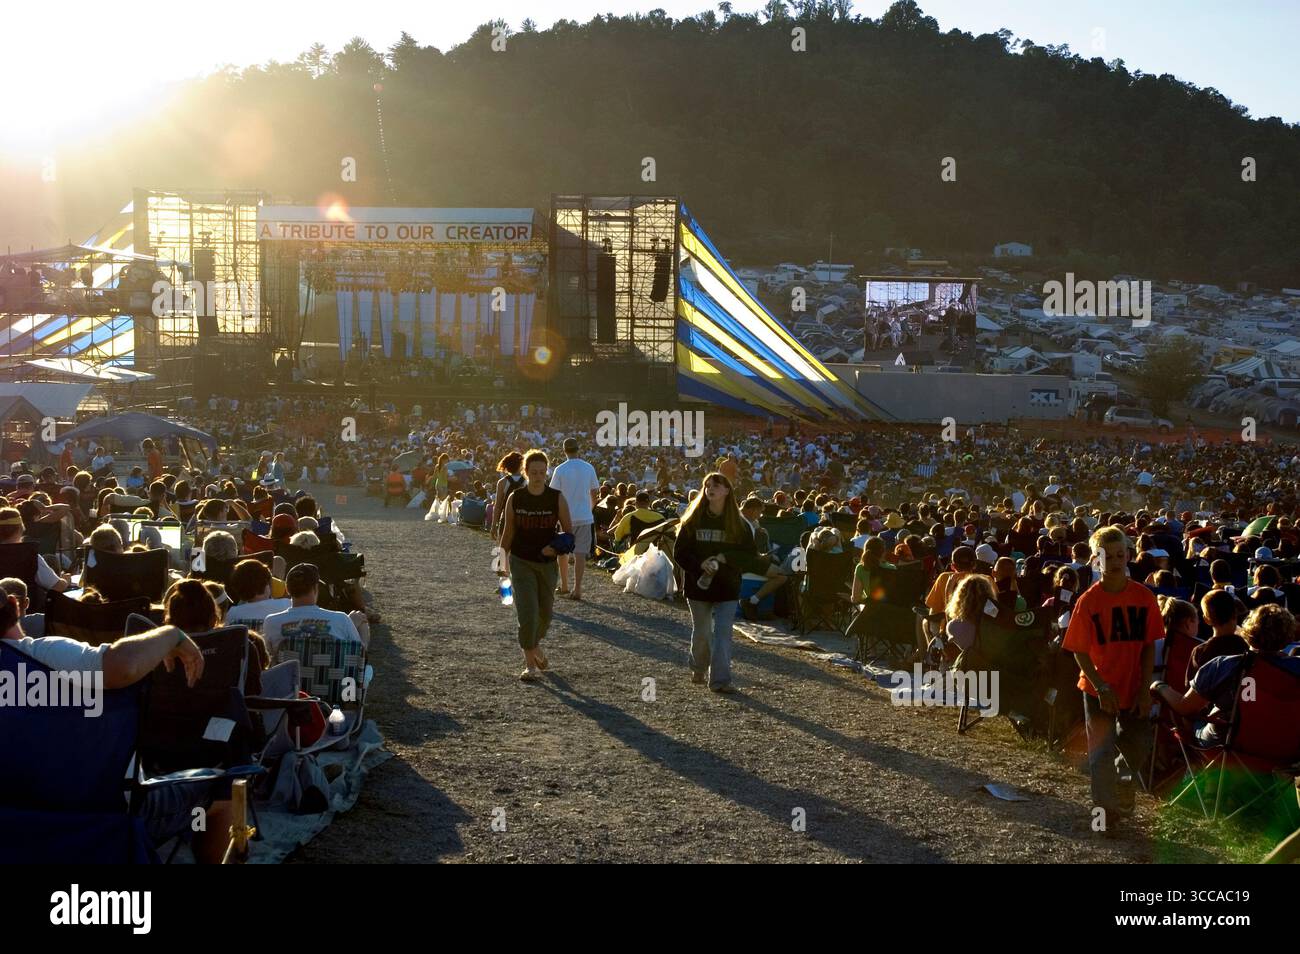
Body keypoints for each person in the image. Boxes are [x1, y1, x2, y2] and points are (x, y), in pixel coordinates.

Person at [1062, 525, 1162, 826]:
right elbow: (1078, 650)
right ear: (1097, 560)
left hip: (1134, 686)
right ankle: (1105, 815)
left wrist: (1145, 689)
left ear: (1129, 556)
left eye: (1121, 554)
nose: (1116, 560)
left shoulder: (1144, 597)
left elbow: (1148, 647)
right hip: (1097, 689)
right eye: (1109, 556)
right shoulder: (1089, 601)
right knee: (1100, 752)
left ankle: (1123, 781)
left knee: (1138, 744)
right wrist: (1100, 685)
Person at [1153, 603, 1300, 746]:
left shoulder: (1223, 666)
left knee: (1196, 722)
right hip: (1288, 744)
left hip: (1234, 743)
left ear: (1249, 630)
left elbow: (1186, 707)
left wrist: (1159, 687)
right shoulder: (1296, 667)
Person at [672, 472, 754, 694]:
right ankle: (698, 667)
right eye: (707, 485)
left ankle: (720, 680)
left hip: (727, 586)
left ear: (727, 490)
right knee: (701, 632)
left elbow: (749, 556)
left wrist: (725, 558)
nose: (711, 488)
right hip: (698, 585)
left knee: (723, 634)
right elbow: (679, 552)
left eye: (716, 485)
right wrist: (701, 564)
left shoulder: (740, 525)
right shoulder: (693, 520)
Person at [500, 449, 572, 682]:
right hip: (521, 561)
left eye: (542, 472)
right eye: (534, 472)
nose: (539, 476)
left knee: (545, 614)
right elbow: (508, 532)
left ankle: (535, 648)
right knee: (527, 613)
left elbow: (569, 534)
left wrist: (555, 548)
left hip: (547, 563)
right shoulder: (516, 498)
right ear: (526, 472)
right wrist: (502, 562)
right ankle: (530, 666)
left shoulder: (556, 497)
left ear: (547, 472)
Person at [263, 563, 369, 653]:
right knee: (361, 623)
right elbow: (358, 654)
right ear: (315, 588)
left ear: (287, 589)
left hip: (286, 677)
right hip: (330, 677)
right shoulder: (341, 619)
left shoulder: (271, 622)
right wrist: (352, 624)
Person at [549, 437, 600, 601]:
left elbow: (553, 494)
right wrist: (589, 509)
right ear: (578, 449)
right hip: (584, 516)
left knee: (562, 551)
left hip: (565, 516)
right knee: (580, 554)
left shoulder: (560, 469)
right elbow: (595, 493)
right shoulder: (588, 467)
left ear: (564, 451)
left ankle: (564, 585)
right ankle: (577, 589)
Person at [491, 451, 525, 542]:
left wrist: (493, 525)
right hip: (523, 520)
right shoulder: (527, 482)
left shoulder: (502, 482)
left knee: (503, 551)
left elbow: (498, 506)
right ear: (521, 465)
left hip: (505, 519)